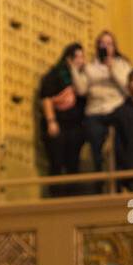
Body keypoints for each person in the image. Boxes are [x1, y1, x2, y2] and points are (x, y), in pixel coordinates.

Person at [38, 42, 88, 195]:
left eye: (82, 56)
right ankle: (56, 197)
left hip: (75, 126)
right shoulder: (55, 74)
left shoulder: (83, 76)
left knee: (73, 163)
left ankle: (73, 196)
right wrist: (51, 121)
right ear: (68, 58)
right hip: (58, 124)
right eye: (77, 57)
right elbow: (46, 98)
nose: (81, 60)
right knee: (56, 162)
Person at [83, 30, 132, 181]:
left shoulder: (123, 64)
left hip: (116, 109)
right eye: (102, 43)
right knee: (96, 147)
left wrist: (113, 70)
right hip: (95, 111)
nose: (106, 46)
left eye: (109, 43)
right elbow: (84, 89)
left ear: (114, 46)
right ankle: (99, 180)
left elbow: (128, 89)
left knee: (119, 147)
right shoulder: (90, 67)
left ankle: (120, 181)